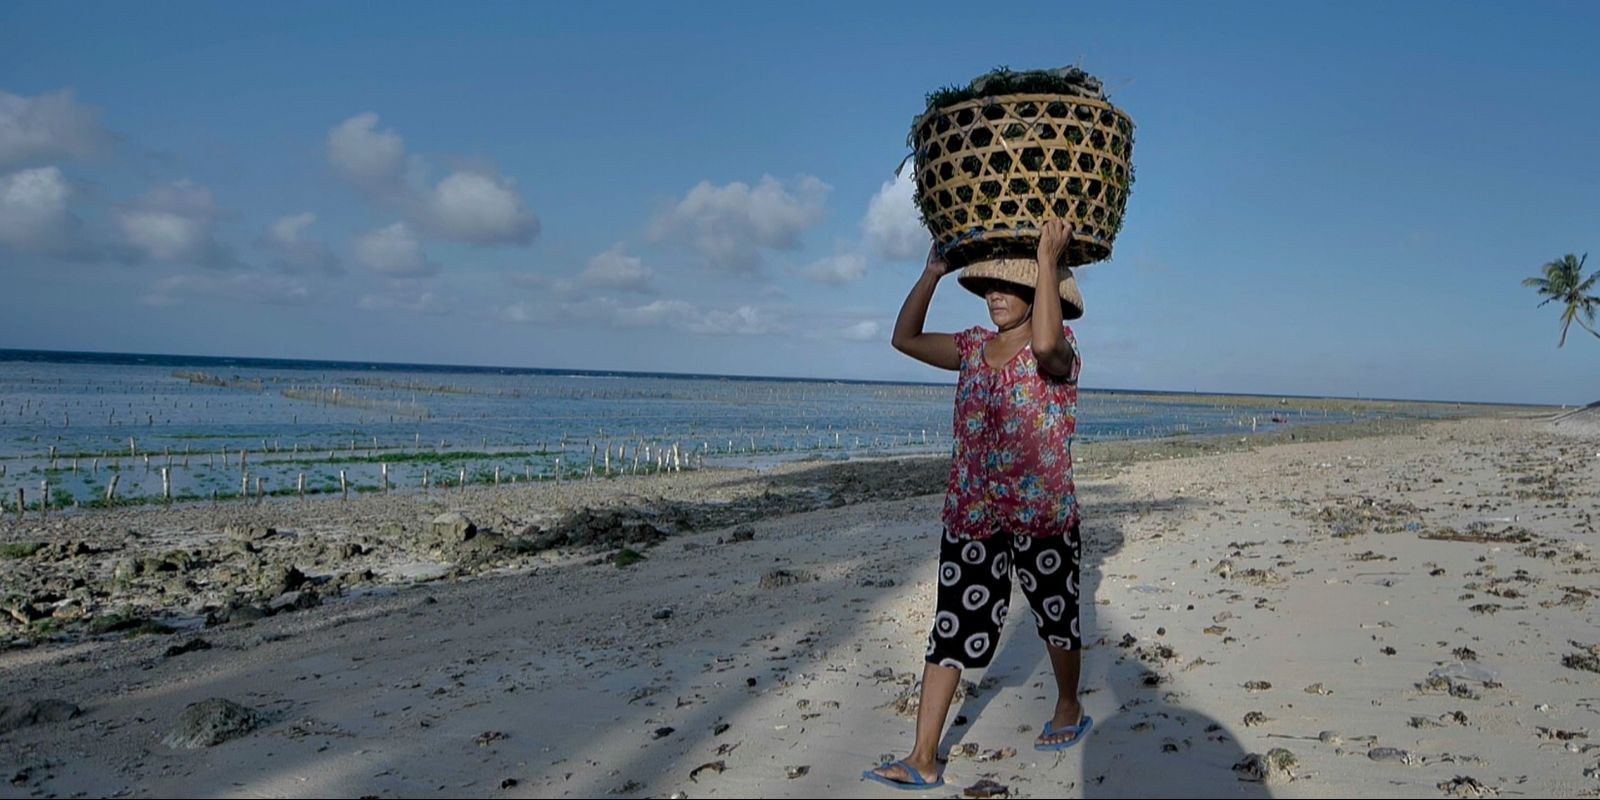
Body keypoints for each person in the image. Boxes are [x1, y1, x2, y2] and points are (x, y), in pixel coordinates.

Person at [865, 220, 1087, 790]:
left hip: (1041, 517)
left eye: (1006, 285)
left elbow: (1043, 343)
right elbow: (905, 339)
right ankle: (922, 756)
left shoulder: (1060, 353)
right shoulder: (970, 348)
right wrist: (933, 271)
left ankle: (1067, 705)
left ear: (1041, 291)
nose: (992, 293)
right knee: (950, 629)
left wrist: (1046, 257)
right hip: (972, 515)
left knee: (1055, 618)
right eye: (987, 283)